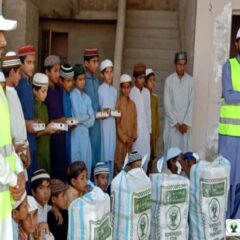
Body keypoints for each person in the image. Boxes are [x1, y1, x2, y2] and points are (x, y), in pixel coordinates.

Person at [0, 14, 26, 240]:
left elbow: (5, 142)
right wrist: (12, 178)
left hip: (4, 198)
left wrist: (18, 170)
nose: (4, 41)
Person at [218, 28, 240, 219]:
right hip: (229, 137)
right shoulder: (229, 66)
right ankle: (223, 225)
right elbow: (230, 95)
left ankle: (234, 228)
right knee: (229, 183)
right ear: (236, 44)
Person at [3, 52, 31, 175]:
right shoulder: (5, 94)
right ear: (11, 73)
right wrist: (17, 150)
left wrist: (27, 148)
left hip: (22, 149)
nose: (19, 77)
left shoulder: (13, 91)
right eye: (18, 73)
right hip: (14, 151)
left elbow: (20, 123)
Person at [163, 52, 194, 154]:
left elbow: (191, 104)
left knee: (184, 154)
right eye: (180, 64)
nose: (182, 67)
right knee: (171, 154)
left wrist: (185, 123)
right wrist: (177, 125)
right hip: (173, 126)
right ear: (175, 64)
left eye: (184, 64)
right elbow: (167, 105)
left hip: (185, 126)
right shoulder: (169, 81)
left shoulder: (191, 81)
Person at [44, 55, 68, 181]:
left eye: (59, 71)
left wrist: (63, 120)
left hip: (61, 137)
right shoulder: (44, 90)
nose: (58, 74)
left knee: (61, 169)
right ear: (47, 72)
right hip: (49, 138)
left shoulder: (59, 89)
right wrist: (57, 121)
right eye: (55, 71)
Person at [16, 45, 38, 178]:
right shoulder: (19, 84)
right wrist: (26, 123)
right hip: (22, 138)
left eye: (33, 62)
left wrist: (34, 121)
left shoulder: (28, 84)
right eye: (29, 62)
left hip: (31, 137)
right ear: (21, 64)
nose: (32, 66)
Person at [70, 64, 95, 175]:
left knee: (86, 163)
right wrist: (86, 117)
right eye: (80, 79)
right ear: (74, 81)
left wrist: (82, 120)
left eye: (84, 79)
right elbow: (76, 117)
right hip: (75, 135)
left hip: (85, 135)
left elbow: (92, 120)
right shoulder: (72, 95)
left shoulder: (87, 98)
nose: (83, 82)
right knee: (75, 164)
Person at [129, 63, 151, 172]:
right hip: (135, 133)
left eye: (143, 78)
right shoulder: (131, 92)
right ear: (135, 79)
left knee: (145, 157)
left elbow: (148, 113)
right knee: (135, 159)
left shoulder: (147, 93)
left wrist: (150, 132)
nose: (142, 80)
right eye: (140, 78)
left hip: (145, 132)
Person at [33, 73, 56, 172]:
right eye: (43, 91)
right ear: (34, 90)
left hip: (46, 150)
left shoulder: (44, 107)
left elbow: (45, 127)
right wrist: (46, 130)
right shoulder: (32, 107)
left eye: (47, 91)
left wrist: (53, 128)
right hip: (37, 152)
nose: (45, 94)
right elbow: (33, 133)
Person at [98, 59, 117, 181]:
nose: (109, 75)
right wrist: (104, 111)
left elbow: (114, 109)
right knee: (103, 154)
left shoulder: (114, 91)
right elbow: (98, 111)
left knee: (111, 155)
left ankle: (109, 184)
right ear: (102, 75)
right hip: (102, 126)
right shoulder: (99, 89)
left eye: (111, 72)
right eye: (107, 72)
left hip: (112, 125)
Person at [114, 74, 137, 174]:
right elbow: (117, 124)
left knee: (129, 169)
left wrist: (132, 137)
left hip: (130, 143)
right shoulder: (118, 103)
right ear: (121, 88)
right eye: (124, 87)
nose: (126, 90)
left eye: (128, 87)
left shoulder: (133, 104)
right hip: (121, 142)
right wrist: (125, 139)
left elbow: (135, 123)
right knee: (119, 168)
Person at [84, 48, 101, 172]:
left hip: (97, 124)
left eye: (97, 61)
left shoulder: (96, 80)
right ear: (86, 63)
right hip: (87, 125)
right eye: (94, 61)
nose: (97, 64)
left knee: (96, 156)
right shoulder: (83, 80)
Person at [145, 68, 160, 174]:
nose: (153, 83)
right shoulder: (142, 96)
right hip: (145, 134)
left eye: (154, 80)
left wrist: (156, 133)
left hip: (153, 134)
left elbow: (156, 116)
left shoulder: (154, 98)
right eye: (150, 80)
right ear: (145, 82)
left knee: (151, 159)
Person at [60, 63, 74, 164]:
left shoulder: (68, 95)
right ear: (61, 80)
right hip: (60, 137)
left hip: (68, 135)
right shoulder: (59, 95)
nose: (71, 84)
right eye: (68, 81)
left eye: (71, 80)